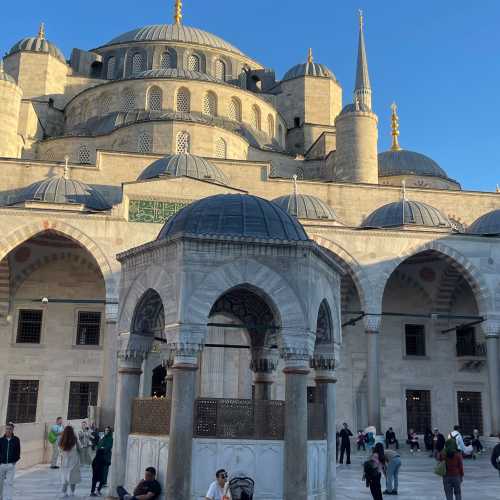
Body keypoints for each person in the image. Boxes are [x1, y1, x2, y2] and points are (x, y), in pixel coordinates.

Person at [59, 425, 81, 498]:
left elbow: (60, 451)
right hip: (74, 461)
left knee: (65, 477)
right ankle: (72, 492)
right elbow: (80, 448)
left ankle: (64, 492)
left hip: (64, 461)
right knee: (73, 477)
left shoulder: (61, 440)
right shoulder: (75, 439)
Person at [0, 423, 21, 500]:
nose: (8, 430)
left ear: (12, 430)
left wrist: (14, 462)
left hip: (10, 465)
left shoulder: (16, 440)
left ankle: (8, 498)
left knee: (9, 484)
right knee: (0, 484)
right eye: (7, 429)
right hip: (1, 465)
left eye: (10, 429)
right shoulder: (1, 440)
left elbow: (18, 452)